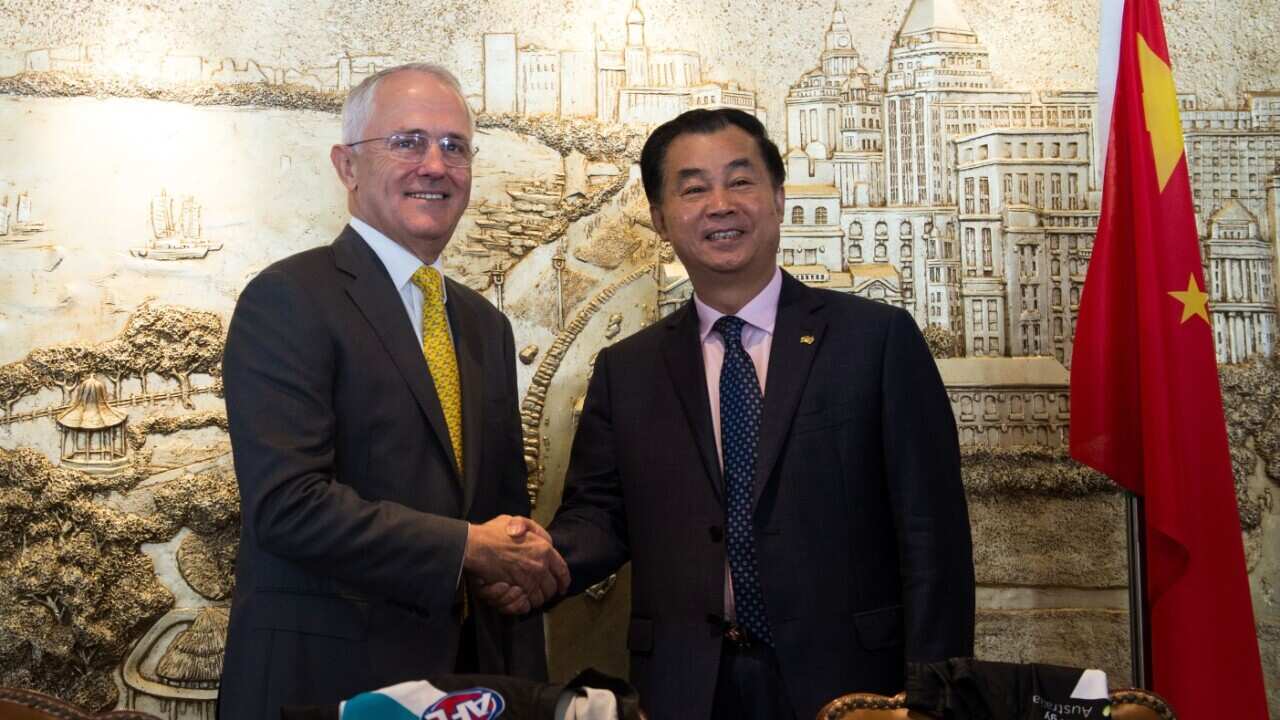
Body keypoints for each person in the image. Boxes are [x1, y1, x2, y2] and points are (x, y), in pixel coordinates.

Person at [513, 108, 976, 719]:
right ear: (659, 218)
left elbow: (932, 534)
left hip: (855, 687)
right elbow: (600, 517)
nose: (721, 204)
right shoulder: (627, 370)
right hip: (686, 687)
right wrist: (530, 564)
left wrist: (932, 697)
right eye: (693, 187)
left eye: (741, 180)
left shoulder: (876, 340)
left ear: (778, 199)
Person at [217, 63, 568, 719]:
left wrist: (514, 579)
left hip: (466, 689)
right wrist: (468, 546)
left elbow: (497, 518)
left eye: (454, 146)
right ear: (347, 166)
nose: (435, 164)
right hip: (328, 690)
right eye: (408, 141)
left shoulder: (484, 326)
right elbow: (289, 505)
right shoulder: (288, 300)